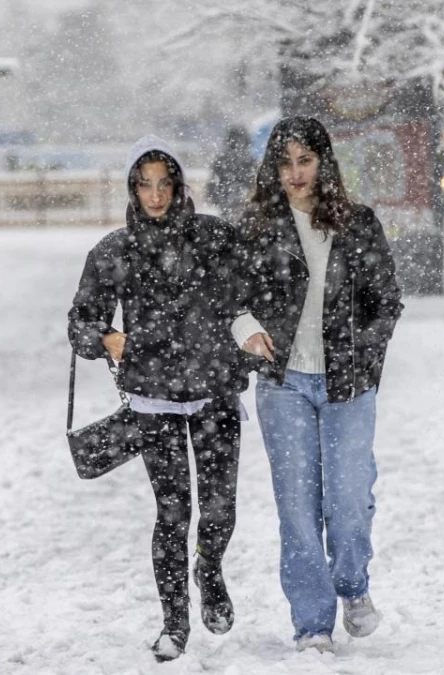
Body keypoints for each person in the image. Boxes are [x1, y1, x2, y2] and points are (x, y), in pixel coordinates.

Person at [67, 135, 249, 662]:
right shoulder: (114, 251)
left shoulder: (215, 238)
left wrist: (250, 346)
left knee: (219, 511)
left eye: (163, 183)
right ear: (132, 188)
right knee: (172, 514)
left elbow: (254, 294)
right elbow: (79, 321)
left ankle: (209, 570)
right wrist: (105, 337)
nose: (154, 195)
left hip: (214, 394)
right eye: (144, 185)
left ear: (178, 185)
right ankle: (174, 622)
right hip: (152, 400)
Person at [231, 116, 403, 653]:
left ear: (324, 161)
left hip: (349, 382)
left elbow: (386, 302)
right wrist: (247, 331)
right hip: (283, 383)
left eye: (305, 161)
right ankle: (311, 621)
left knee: (350, 497)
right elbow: (230, 297)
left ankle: (352, 586)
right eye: (285, 164)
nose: (296, 173)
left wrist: (365, 359)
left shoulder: (358, 223)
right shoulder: (257, 227)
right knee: (297, 505)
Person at [206, 125, 258, 224]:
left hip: (226, 205)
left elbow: (212, 188)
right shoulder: (251, 162)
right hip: (245, 208)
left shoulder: (221, 161)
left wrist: (221, 198)